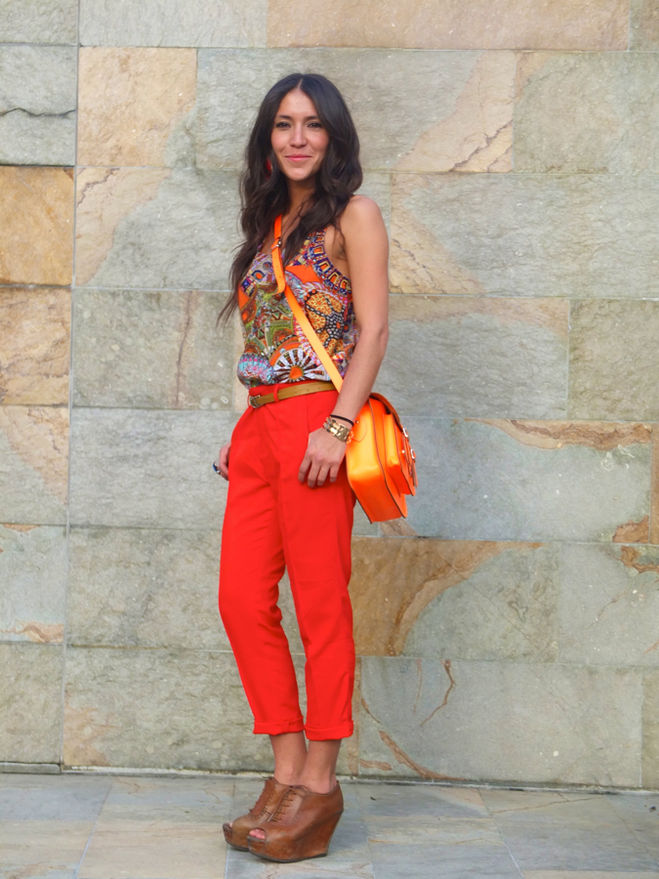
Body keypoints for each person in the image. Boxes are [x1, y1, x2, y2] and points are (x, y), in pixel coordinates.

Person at [215, 72, 389, 863]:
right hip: (260, 427)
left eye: (312, 125)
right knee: (240, 599)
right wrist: (244, 424)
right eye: (283, 124)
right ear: (267, 139)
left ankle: (318, 783)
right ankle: (286, 767)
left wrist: (338, 426)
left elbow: (373, 331)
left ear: (333, 136)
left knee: (320, 604)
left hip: (319, 427)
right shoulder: (268, 223)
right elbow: (267, 338)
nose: (296, 138)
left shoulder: (354, 215)